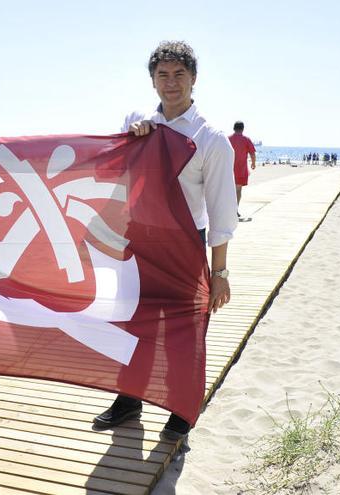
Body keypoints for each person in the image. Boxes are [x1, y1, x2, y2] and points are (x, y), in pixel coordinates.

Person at [92, 41, 237, 440]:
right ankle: (128, 399)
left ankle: (180, 409)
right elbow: (114, 172)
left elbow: (222, 212)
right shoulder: (138, 123)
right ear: (152, 80)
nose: (171, 83)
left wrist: (219, 272)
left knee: (184, 330)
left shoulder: (211, 139)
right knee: (131, 324)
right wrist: (134, 139)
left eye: (179, 75)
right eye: (163, 75)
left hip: (185, 244)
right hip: (139, 240)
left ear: (194, 79)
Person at [228, 121, 256, 221]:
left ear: (234, 128)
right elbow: (252, 153)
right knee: (238, 190)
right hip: (241, 170)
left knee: (228, 190)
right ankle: (235, 210)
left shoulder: (228, 139)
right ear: (243, 129)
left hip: (228, 169)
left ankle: (228, 210)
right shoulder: (246, 139)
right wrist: (253, 163)